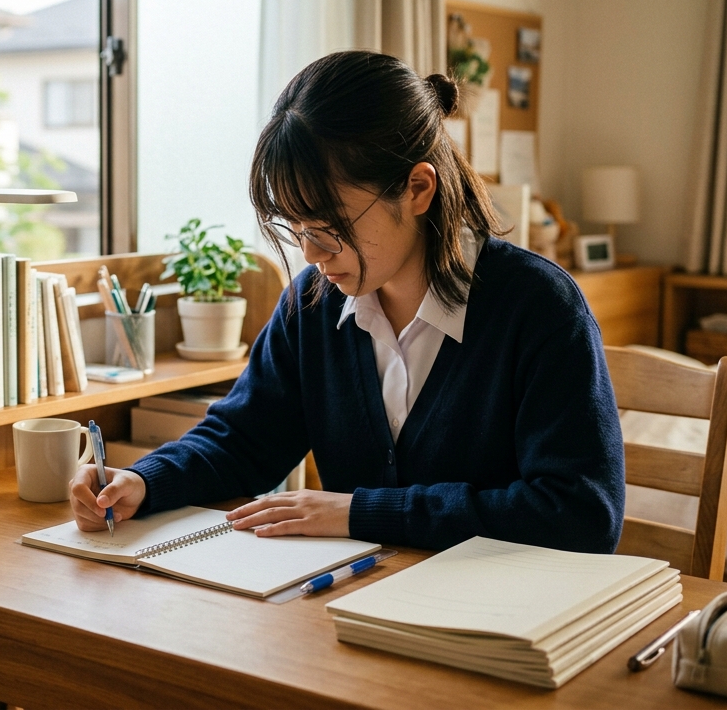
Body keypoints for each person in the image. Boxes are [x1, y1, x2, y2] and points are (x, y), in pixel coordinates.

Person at [70, 50, 625, 553]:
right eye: (296, 228)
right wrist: (144, 480)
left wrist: (362, 512)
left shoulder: (540, 309)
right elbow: (243, 440)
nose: (311, 254)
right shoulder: (312, 305)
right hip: (348, 600)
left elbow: (582, 514)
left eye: (330, 227)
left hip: (497, 613)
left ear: (417, 189)